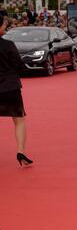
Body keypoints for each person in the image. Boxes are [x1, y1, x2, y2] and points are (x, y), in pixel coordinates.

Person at [0, 15, 33, 166]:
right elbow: (19, 66)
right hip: (10, 87)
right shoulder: (8, 45)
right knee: (19, 120)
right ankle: (21, 151)